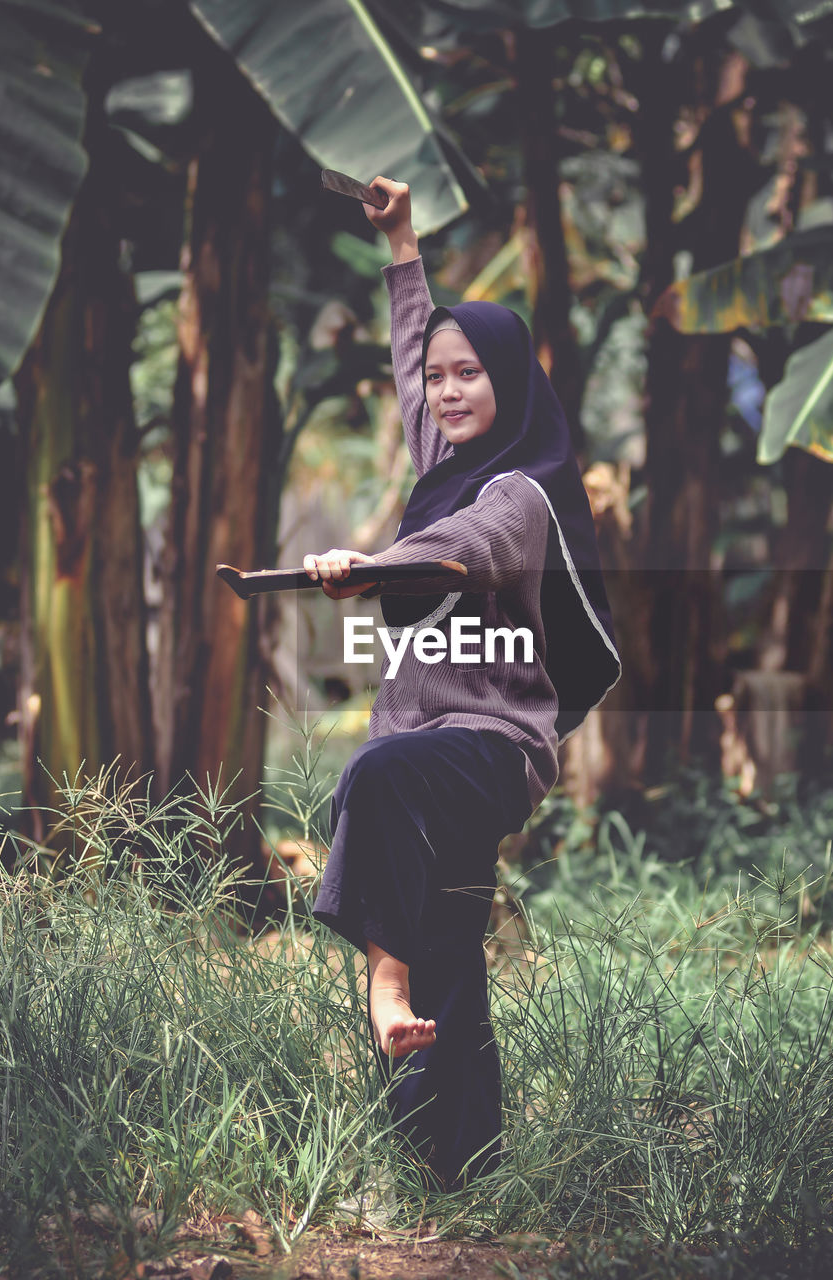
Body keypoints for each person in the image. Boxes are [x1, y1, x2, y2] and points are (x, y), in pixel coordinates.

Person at [304, 178, 621, 1188]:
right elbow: (408, 356)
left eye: (468, 375)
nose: (444, 391)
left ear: (511, 382)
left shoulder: (519, 491)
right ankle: (459, 1168)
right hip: (431, 732)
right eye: (440, 379)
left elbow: (467, 544)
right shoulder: (443, 457)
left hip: (490, 748)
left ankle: (381, 984)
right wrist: (399, 242)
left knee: (379, 774)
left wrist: (372, 562)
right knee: (453, 934)